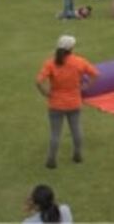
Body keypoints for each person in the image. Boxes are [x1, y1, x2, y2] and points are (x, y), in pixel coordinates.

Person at [36, 35, 98, 168]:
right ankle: (77, 154)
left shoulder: (50, 63)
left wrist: (46, 93)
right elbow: (95, 74)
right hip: (74, 102)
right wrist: (85, 87)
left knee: (55, 134)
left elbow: (38, 81)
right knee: (76, 130)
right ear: (72, 48)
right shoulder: (79, 61)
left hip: (56, 104)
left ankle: (51, 159)